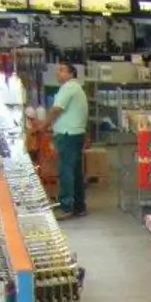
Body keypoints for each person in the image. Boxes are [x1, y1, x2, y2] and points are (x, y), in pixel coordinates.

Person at [46, 62, 89, 219]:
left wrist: (43, 125)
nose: (58, 73)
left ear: (71, 74)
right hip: (75, 134)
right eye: (58, 70)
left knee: (66, 171)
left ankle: (67, 206)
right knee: (75, 171)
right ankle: (79, 206)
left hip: (68, 135)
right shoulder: (75, 88)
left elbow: (56, 109)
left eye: (62, 70)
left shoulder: (69, 87)